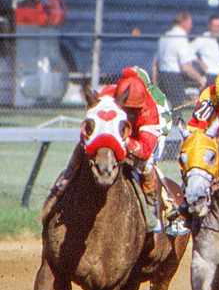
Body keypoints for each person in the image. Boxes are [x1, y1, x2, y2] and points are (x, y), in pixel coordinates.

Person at [45, 68, 184, 235]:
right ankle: (64, 182)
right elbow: (88, 132)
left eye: (135, 111)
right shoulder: (107, 97)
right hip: (118, 132)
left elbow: (146, 150)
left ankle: (156, 206)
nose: (131, 114)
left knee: (146, 164)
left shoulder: (152, 111)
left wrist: (124, 141)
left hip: (143, 137)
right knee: (82, 147)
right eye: (127, 109)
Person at [153, 12, 204, 107]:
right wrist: (200, 79)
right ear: (184, 23)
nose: (191, 26)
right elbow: (185, 67)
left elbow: (155, 63)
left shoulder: (164, 37)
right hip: (174, 79)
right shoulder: (180, 38)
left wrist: (155, 81)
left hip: (162, 77)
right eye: (190, 22)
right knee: (176, 109)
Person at [189, 15, 219, 85]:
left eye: (218, 26)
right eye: (213, 26)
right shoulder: (203, 38)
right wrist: (199, 62)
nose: (216, 29)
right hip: (210, 74)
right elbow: (187, 50)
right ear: (209, 26)